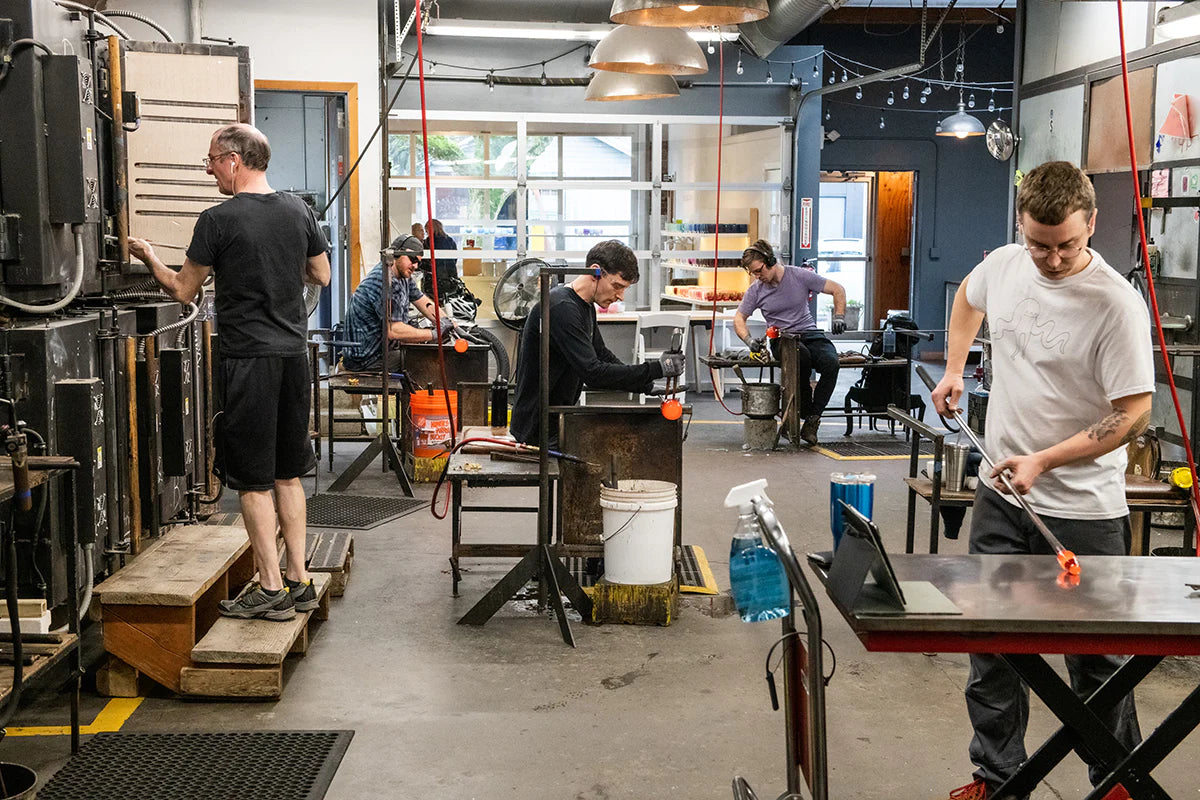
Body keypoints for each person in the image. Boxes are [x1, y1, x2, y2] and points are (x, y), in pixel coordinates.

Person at [931, 161, 1153, 800]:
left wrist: (1046, 460)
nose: (1052, 260)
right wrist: (954, 368)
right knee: (992, 648)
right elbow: (968, 297)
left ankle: (1116, 782)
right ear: (1020, 229)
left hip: (1082, 511)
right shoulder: (1004, 264)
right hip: (1001, 495)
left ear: (1092, 225)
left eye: (1067, 246)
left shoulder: (1114, 304)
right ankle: (997, 780)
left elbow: (1133, 412)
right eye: (1039, 245)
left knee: (1095, 662)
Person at [128, 123, 331, 621]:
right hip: (292, 357)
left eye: (212, 160)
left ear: (235, 161)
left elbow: (182, 290)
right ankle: (299, 580)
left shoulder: (217, 220)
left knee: (252, 480)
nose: (209, 169)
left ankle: (268, 587)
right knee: (287, 472)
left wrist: (149, 256)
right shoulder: (298, 210)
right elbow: (322, 274)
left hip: (249, 362)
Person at [509, 240, 684, 445]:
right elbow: (593, 372)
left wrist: (644, 384)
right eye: (617, 286)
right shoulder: (561, 308)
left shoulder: (584, 306)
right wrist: (655, 369)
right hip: (539, 426)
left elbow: (601, 354)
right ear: (595, 272)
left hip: (557, 418)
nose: (620, 296)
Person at [733, 240, 846, 445]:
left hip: (809, 333)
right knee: (800, 356)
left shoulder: (799, 276)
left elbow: (838, 289)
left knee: (831, 362)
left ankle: (812, 419)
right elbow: (739, 318)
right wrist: (749, 340)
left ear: (770, 261)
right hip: (781, 338)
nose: (757, 277)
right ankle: (801, 410)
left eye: (758, 271)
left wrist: (839, 316)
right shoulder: (756, 290)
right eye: (753, 274)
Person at [341, 234, 454, 372]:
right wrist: (434, 334)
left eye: (418, 262)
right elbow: (394, 330)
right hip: (366, 359)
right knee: (426, 361)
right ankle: (415, 394)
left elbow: (422, 301)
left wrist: (446, 321)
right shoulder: (383, 281)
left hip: (382, 351)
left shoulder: (403, 277)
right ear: (396, 254)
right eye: (412, 259)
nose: (415, 266)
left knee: (426, 353)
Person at [420, 218, 459, 300]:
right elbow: (454, 258)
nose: (426, 233)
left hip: (434, 281)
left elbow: (426, 262)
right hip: (451, 278)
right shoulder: (450, 240)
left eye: (426, 231)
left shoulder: (429, 242)